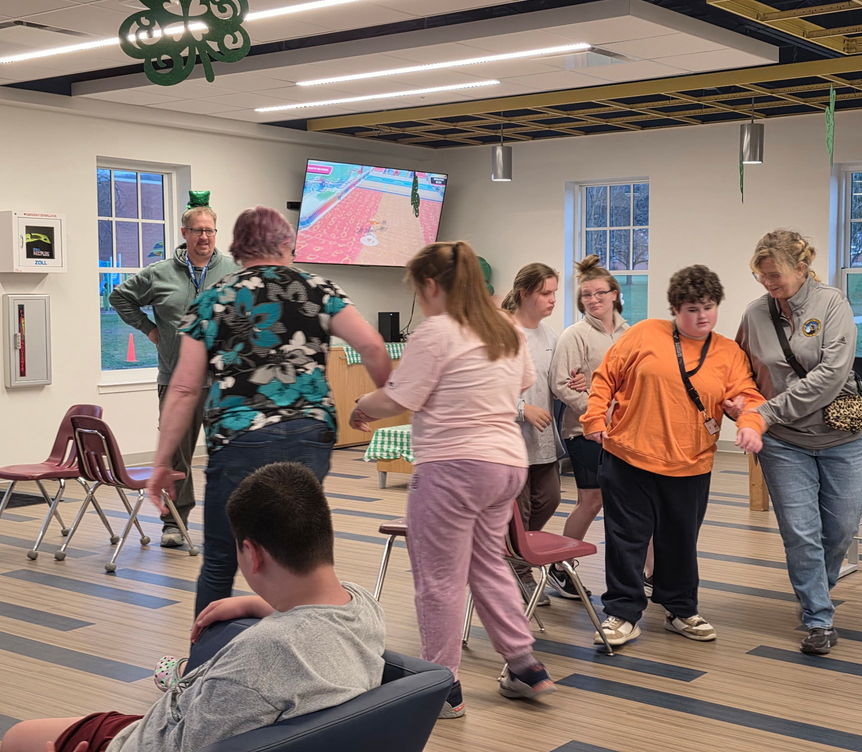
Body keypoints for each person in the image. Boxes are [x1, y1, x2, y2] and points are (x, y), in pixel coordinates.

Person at [1, 461, 386, 752]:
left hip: (150, 742)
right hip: (187, 724)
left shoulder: (259, 657)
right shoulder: (362, 604)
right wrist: (256, 603)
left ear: (251, 554)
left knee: (18, 737)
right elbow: (313, 625)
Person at [147, 206, 390, 616]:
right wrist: (383, 401)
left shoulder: (213, 299)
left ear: (237, 248)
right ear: (286, 244)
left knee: (222, 559)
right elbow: (372, 347)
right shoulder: (318, 289)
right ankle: (312, 650)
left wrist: (160, 462)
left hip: (239, 440)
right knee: (302, 559)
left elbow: (185, 387)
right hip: (308, 436)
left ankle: (201, 668)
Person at [352, 241, 555, 719]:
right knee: (486, 563)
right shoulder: (505, 329)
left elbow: (400, 398)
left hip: (452, 468)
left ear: (430, 285)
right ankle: (524, 665)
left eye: (416, 290)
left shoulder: (437, 332)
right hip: (506, 466)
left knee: (438, 581)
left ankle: (443, 687)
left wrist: (362, 406)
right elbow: (522, 382)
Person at [582, 265, 765, 648]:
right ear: (675, 310)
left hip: (690, 462)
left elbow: (747, 396)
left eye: (708, 307)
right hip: (628, 456)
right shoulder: (645, 334)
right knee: (626, 539)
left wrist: (749, 423)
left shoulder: (728, 352)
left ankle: (680, 609)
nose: (701, 316)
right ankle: (622, 613)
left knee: (680, 541)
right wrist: (594, 417)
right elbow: (606, 377)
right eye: (692, 309)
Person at [736, 229, 862, 656]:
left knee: (841, 528)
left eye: (775, 275)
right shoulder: (755, 313)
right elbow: (738, 367)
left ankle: (817, 589)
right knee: (800, 532)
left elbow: (831, 375)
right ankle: (818, 616)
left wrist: (769, 411)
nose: (768, 284)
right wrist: (738, 407)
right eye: (761, 276)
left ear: (801, 267)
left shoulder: (832, 304)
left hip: (843, 437)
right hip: (784, 443)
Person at [109, 200, 238, 547]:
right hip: (175, 378)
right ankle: (173, 524)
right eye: (197, 230)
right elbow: (119, 297)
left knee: (229, 454)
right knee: (176, 457)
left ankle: (233, 523)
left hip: (225, 381)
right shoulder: (159, 273)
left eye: (210, 230)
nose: (204, 237)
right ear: (184, 234)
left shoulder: (233, 270)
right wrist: (151, 330)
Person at [547, 255, 630, 599]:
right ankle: (560, 567)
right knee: (591, 502)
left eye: (599, 293)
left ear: (614, 294)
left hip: (623, 434)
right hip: (584, 432)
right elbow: (560, 384)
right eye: (586, 296)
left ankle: (647, 572)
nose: (593, 300)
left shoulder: (630, 333)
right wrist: (598, 412)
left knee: (631, 504)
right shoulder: (575, 335)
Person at [502, 263, 561, 606]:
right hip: (510, 441)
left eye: (554, 292)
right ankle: (520, 572)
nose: (552, 299)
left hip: (543, 439)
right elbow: (488, 389)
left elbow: (554, 382)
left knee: (550, 498)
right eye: (545, 293)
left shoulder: (550, 335)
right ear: (525, 293)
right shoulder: (503, 333)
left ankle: (511, 553)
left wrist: (575, 383)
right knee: (519, 510)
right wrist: (523, 410)